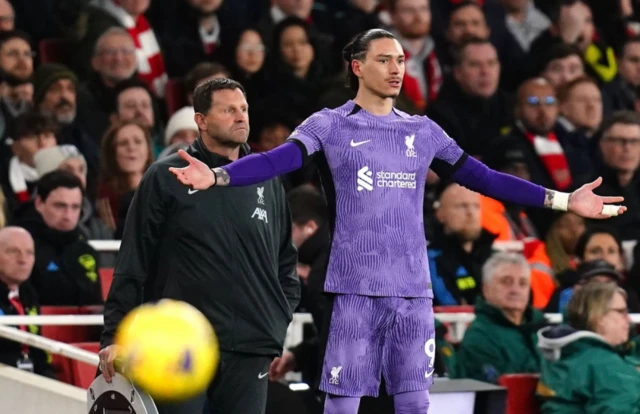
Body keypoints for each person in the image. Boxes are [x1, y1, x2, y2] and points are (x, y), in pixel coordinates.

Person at [170, 29, 626, 414]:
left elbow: (484, 178)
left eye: (402, 60)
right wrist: (218, 175)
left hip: (411, 289)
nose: (396, 68)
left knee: (414, 403)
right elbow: (280, 160)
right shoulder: (329, 125)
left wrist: (564, 200)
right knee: (343, 404)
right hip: (353, 288)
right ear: (357, 67)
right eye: (384, 59)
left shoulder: (423, 131)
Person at [98, 79, 300, 414]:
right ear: (201, 120)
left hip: (250, 347)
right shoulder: (165, 176)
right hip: (178, 346)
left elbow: (285, 264)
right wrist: (114, 337)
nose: (241, 117)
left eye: (244, 109)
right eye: (228, 110)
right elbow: (134, 260)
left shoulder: (267, 180)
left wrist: (275, 320)